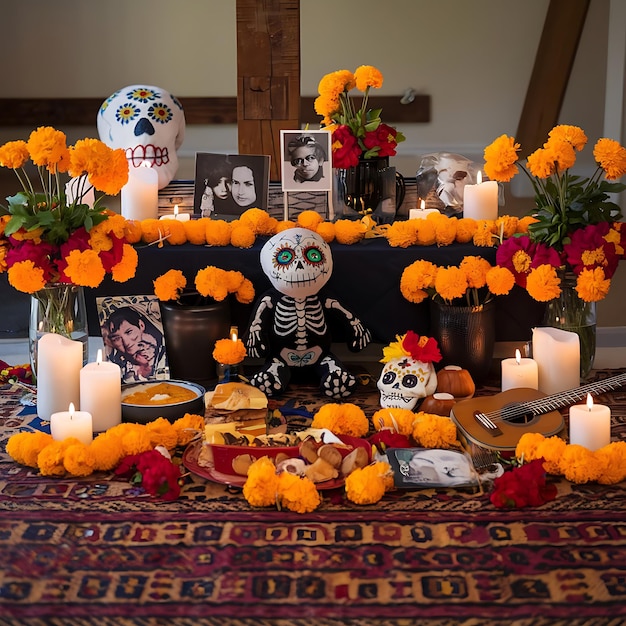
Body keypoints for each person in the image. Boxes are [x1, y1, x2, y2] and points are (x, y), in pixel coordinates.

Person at [103, 306, 166, 383]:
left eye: (129, 332)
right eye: (116, 338)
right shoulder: (115, 363)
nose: (126, 343)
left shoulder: (161, 349)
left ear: (141, 325)